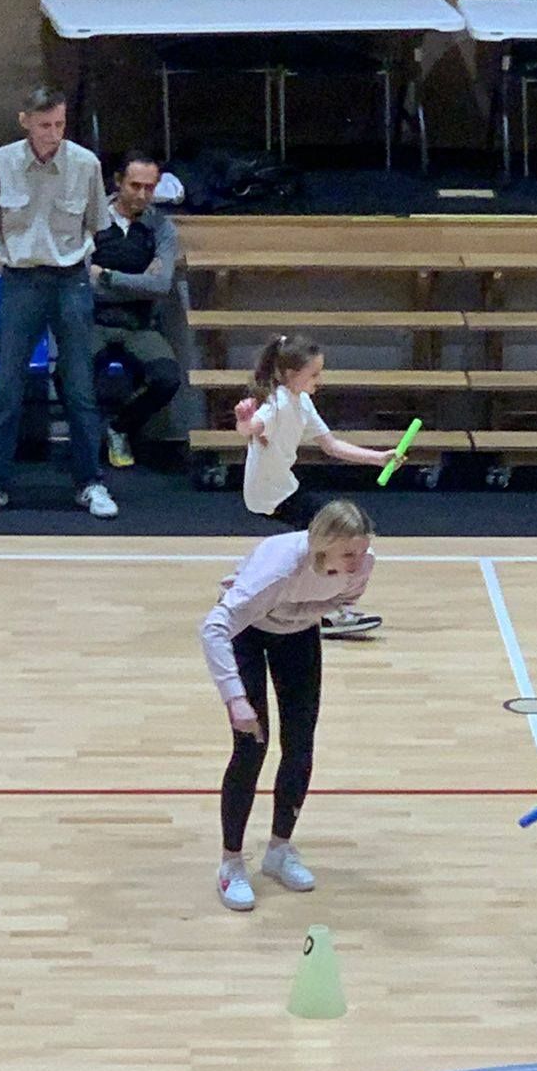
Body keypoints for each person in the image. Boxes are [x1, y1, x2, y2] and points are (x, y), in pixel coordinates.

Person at [199, 499, 377, 910]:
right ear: (322, 546)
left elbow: (340, 602)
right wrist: (235, 699)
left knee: (300, 746)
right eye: (348, 554)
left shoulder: (364, 565)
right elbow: (213, 629)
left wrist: (297, 611)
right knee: (251, 748)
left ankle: (279, 849)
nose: (357, 562)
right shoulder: (278, 569)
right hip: (247, 631)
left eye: (362, 551)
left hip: (297, 634)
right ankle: (230, 863)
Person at [0, 86, 116, 519]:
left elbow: (97, 222)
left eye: (60, 124)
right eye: (45, 125)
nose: (54, 133)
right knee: (7, 387)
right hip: (19, 279)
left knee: (79, 386)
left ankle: (90, 482)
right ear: (25, 122)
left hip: (70, 279)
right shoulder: (4, 161)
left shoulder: (85, 164)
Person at [234, 332, 385, 639]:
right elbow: (251, 428)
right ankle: (329, 611)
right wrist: (244, 419)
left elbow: (331, 445)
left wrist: (378, 458)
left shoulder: (302, 402)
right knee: (333, 536)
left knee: (324, 540)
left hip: (286, 487)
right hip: (268, 494)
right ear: (291, 374)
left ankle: (313, 605)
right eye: (314, 374)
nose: (320, 380)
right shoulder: (276, 404)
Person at [90, 149, 185, 470]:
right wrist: (139, 281)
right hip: (93, 320)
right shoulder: (91, 220)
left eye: (150, 187)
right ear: (118, 181)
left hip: (140, 324)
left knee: (167, 378)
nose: (143, 195)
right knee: (67, 375)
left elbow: (159, 286)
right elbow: (81, 281)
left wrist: (107, 275)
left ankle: (120, 427)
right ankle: (86, 440)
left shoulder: (162, 228)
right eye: (135, 186)